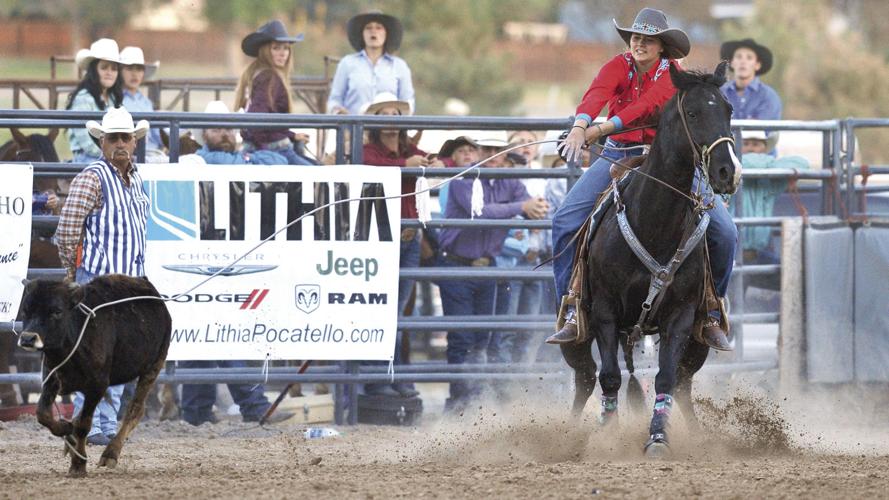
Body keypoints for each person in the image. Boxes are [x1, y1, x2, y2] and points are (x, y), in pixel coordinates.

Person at [547, 7, 737, 351]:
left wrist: (600, 128)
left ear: (662, 46)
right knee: (564, 219)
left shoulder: (673, 76)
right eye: (636, 37)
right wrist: (579, 127)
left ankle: (711, 309)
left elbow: (645, 106)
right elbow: (597, 93)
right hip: (618, 154)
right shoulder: (618, 65)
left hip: (666, 161)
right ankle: (571, 304)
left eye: (648, 39)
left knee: (725, 232)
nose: (639, 43)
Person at [54, 107, 150, 445]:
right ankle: (90, 422)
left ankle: (105, 423)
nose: (121, 143)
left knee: (120, 355)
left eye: (126, 137)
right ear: (102, 142)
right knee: (94, 355)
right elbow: (67, 229)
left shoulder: (135, 179)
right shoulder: (93, 177)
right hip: (97, 281)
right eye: (114, 138)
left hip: (129, 282)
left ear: (134, 142)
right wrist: (73, 271)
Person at [437, 138, 548, 412]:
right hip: (458, 265)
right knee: (464, 338)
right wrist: (522, 208)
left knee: (483, 338)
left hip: (487, 266)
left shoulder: (508, 182)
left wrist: (532, 207)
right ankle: (460, 401)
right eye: (486, 150)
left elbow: (532, 205)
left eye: (496, 151)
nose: (491, 155)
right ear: (478, 153)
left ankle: (473, 400)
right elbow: (481, 212)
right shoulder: (464, 179)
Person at [360, 93, 442, 397]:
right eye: (384, 114)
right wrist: (406, 165)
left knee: (398, 313)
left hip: (407, 237)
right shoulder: (369, 150)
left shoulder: (408, 149)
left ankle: (390, 376)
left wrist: (427, 162)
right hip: (384, 236)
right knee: (385, 311)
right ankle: (381, 378)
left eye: (396, 113)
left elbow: (435, 161)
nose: (391, 119)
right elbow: (372, 166)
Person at [235, 20, 315, 166]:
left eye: (286, 48)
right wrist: (263, 149)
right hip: (274, 149)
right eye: (276, 48)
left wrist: (292, 136)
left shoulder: (255, 73)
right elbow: (257, 119)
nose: (283, 53)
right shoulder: (269, 77)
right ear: (265, 51)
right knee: (319, 177)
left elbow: (264, 120)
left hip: (263, 145)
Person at [327, 11, 414, 115]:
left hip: (388, 128)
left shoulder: (399, 66)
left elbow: (408, 102)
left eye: (379, 28)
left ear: (386, 33)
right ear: (362, 33)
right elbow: (335, 99)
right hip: (353, 128)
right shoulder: (347, 63)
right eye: (368, 28)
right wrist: (340, 113)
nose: (373, 32)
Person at [66, 38, 123, 164]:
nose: (110, 73)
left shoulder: (114, 99)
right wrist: (112, 155)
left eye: (114, 69)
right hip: (86, 158)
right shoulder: (83, 98)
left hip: (112, 156)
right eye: (104, 68)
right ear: (94, 70)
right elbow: (86, 142)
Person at [188, 101, 288, 165]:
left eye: (228, 129)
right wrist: (249, 159)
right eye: (216, 130)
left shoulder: (238, 155)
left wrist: (248, 157)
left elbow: (281, 161)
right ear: (204, 136)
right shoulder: (203, 157)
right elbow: (227, 162)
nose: (224, 134)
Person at [719, 38, 782, 123]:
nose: (743, 61)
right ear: (732, 63)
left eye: (749, 58)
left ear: (757, 65)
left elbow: (759, 131)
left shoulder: (768, 96)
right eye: (738, 57)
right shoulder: (719, 94)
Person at [119, 46, 165, 161]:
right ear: (120, 71)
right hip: (132, 156)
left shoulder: (146, 102)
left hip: (154, 153)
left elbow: (156, 134)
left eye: (139, 69)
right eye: (129, 68)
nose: (134, 74)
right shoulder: (116, 100)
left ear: (143, 73)